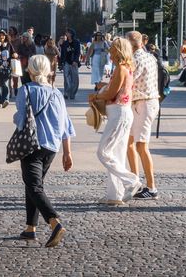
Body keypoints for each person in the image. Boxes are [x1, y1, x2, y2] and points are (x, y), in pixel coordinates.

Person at [14, 54, 74, 248]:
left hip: (32, 145)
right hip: (51, 148)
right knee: (33, 185)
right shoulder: (57, 93)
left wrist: (16, 117)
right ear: (48, 71)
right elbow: (66, 125)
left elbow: (21, 120)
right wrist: (67, 152)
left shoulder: (25, 91)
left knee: (34, 186)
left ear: (30, 70)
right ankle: (30, 227)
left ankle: (54, 222)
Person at [89, 38, 141, 205]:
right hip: (121, 113)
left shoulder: (120, 68)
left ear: (118, 50)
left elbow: (111, 93)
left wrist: (96, 96)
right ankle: (114, 195)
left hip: (118, 113)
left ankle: (131, 181)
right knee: (116, 155)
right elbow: (116, 88)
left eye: (112, 49)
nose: (109, 52)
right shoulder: (127, 68)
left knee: (103, 152)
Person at [126, 32, 159, 199]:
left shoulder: (136, 60)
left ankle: (151, 187)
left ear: (131, 44)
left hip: (143, 103)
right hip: (146, 102)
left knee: (141, 146)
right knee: (129, 142)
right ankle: (136, 182)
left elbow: (128, 82)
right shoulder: (150, 57)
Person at [0, 29, 17, 107]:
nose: (1, 36)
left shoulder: (9, 44)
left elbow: (14, 53)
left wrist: (15, 55)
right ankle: (1, 100)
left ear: (5, 36)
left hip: (7, 67)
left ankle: (6, 100)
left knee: (6, 83)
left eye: (3, 35)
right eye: (0, 35)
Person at [60, 28, 82, 100]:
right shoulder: (65, 43)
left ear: (71, 34)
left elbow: (77, 52)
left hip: (74, 62)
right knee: (66, 78)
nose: (66, 33)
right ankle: (66, 92)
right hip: (66, 62)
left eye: (68, 32)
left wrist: (75, 61)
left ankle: (72, 93)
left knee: (75, 79)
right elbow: (62, 53)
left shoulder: (76, 42)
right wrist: (61, 63)